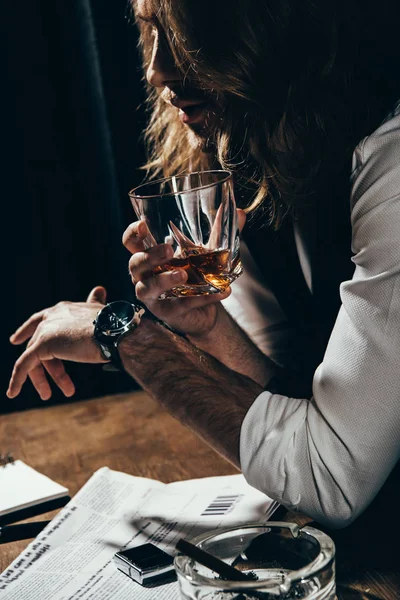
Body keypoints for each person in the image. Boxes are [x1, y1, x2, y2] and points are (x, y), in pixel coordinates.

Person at [6, 0, 400, 529]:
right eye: (154, 32)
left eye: (190, 33)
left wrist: (125, 336)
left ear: (275, 27)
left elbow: (328, 477)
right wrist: (212, 331)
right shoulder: (251, 157)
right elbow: (293, 417)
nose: (158, 69)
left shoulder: (391, 162)